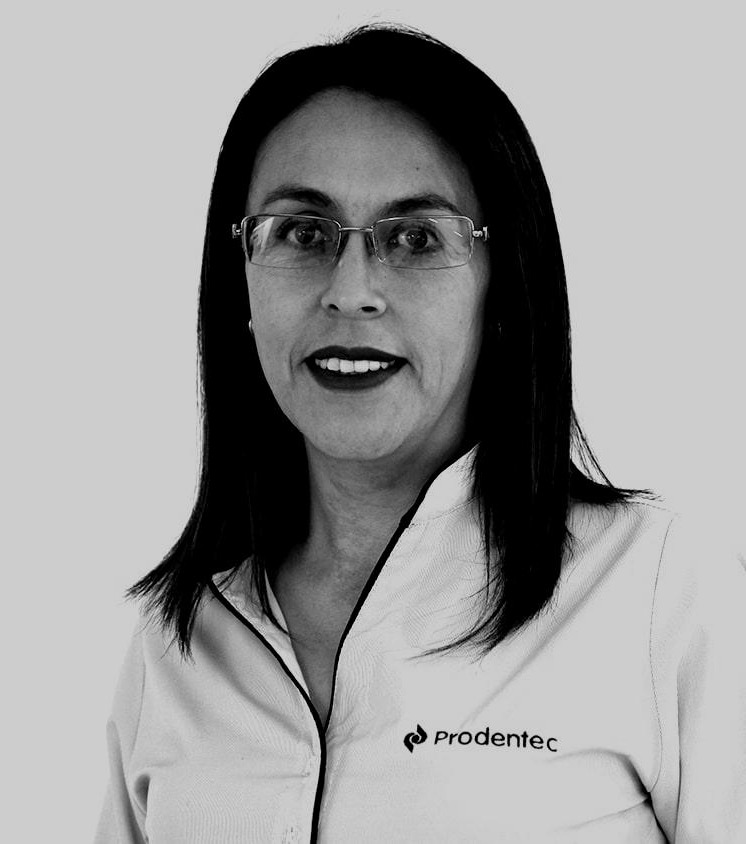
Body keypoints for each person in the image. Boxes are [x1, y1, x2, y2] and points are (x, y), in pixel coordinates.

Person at [95, 23, 746, 844]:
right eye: (302, 233)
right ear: (242, 283)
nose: (351, 292)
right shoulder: (177, 643)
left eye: (415, 238)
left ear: (501, 288)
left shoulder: (657, 591)